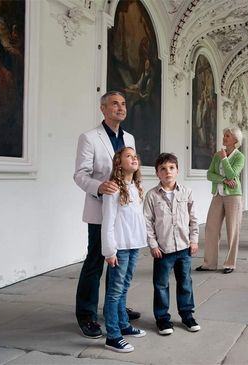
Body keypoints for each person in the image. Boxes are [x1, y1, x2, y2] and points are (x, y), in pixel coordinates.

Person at [73, 91, 140, 339]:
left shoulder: (129, 137)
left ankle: (116, 308)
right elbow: (80, 174)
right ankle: (87, 315)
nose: (120, 108)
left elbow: (130, 170)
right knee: (94, 263)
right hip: (99, 210)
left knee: (120, 263)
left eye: (123, 104)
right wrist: (99, 187)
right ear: (103, 109)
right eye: (114, 104)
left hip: (124, 213)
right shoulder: (89, 138)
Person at [143, 153, 201, 336]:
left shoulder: (186, 192)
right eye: (163, 169)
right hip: (163, 249)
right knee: (161, 284)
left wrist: (194, 240)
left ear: (177, 171)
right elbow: (147, 222)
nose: (167, 172)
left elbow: (193, 219)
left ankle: (187, 314)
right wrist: (152, 244)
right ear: (157, 173)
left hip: (184, 247)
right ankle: (162, 318)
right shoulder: (152, 196)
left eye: (171, 168)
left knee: (185, 282)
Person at [101, 147, 147, 353]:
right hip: (119, 247)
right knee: (114, 292)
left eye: (135, 156)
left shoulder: (136, 187)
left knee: (124, 287)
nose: (134, 158)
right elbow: (108, 221)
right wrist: (109, 251)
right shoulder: (113, 188)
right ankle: (112, 335)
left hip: (134, 244)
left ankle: (123, 324)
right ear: (118, 163)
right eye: (128, 156)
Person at [196, 127, 245, 274]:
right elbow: (209, 174)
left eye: (227, 136)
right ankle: (209, 263)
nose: (224, 138)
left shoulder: (239, 157)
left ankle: (230, 264)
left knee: (233, 229)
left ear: (235, 140)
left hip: (233, 196)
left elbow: (233, 174)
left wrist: (224, 159)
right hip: (218, 194)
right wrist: (223, 179)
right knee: (211, 228)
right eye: (224, 135)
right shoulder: (217, 155)